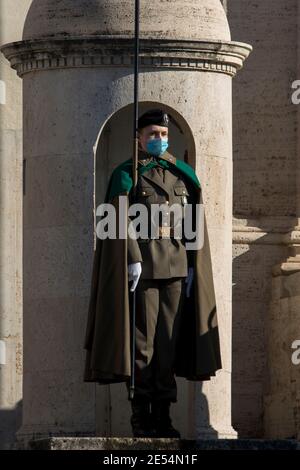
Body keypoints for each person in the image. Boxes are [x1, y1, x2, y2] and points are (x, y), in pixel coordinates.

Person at [83, 109, 222, 439]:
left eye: (163, 134)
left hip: (175, 266)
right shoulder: (126, 173)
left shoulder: (180, 174)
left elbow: (193, 221)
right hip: (143, 267)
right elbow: (116, 219)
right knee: (143, 343)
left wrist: (191, 264)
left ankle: (163, 411)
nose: (159, 139)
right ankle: (140, 413)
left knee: (167, 343)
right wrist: (131, 258)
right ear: (139, 139)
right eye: (152, 135)